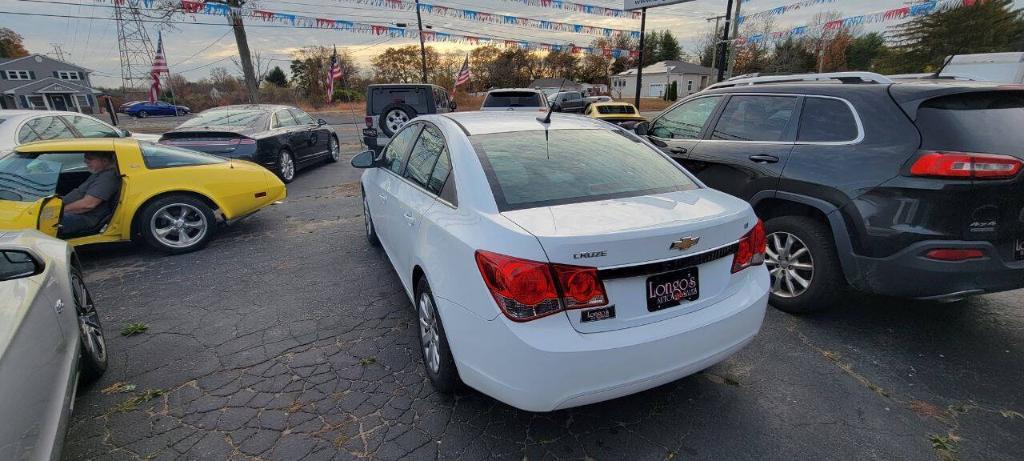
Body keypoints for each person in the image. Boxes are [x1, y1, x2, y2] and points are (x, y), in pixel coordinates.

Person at [59, 152, 121, 237]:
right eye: (85, 158)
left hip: (84, 217)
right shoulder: (100, 173)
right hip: (73, 212)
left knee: (40, 219)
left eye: (90, 158)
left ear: (105, 161)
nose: (85, 161)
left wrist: (58, 211)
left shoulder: (108, 178)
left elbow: (88, 204)